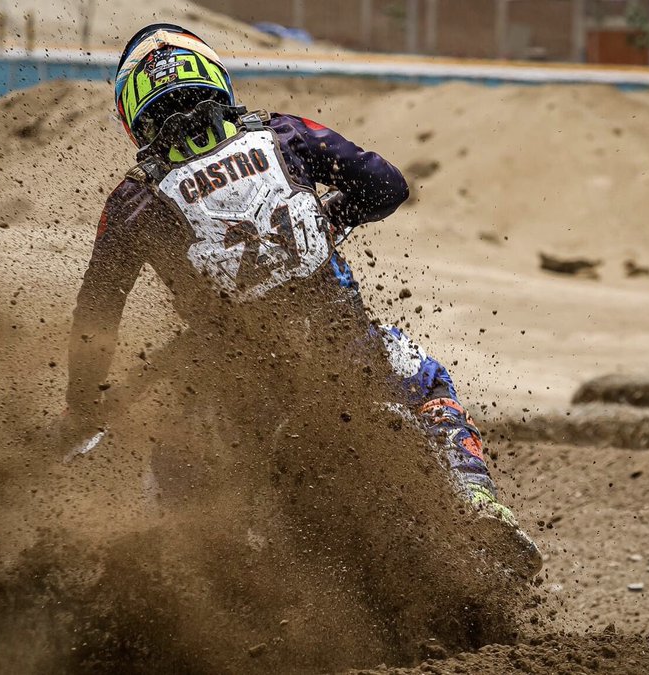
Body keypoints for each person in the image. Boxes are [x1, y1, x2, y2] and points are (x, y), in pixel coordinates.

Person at [65, 23, 540, 571]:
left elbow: (95, 315)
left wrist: (82, 407)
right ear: (217, 83)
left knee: (176, 464)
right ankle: (475, 502)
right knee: (429, 381)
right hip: (350, 360)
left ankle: (189, 577)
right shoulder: (285, 135)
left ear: (133, 113)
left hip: (235, 396)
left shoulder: (133, 201)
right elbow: (387, 185)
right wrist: (326, 217)